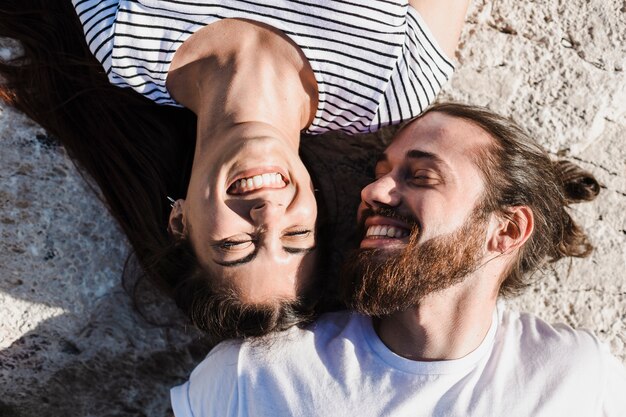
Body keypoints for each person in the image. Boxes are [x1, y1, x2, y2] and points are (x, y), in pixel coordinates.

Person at [0, 0, 470, 340]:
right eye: (294, 237)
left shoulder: (123, 35)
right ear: (317, 208)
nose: (267, 215)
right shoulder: (393, 84)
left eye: (235, 243)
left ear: (179, 221)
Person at [170, 103, 626, 416]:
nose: (373, 192)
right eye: (381, 173)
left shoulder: (577, 377)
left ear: (505, 230)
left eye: (421, 176)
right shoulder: (252, 377)